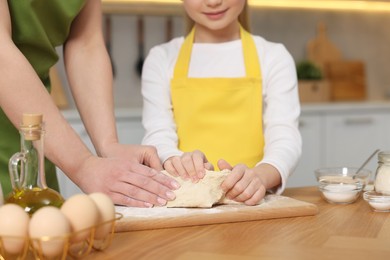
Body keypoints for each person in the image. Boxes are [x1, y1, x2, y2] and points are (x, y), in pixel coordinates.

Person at [0, 0, 179, 207]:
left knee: (43, 228)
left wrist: (108, 145)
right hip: (22, 108)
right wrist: (83, 165)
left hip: (36, 127)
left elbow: (84, 42)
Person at [141, 0, 302, 205]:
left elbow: (285, 136)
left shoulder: (273, 56)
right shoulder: (161, 58)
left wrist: (260, 176)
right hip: (186, 203)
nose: (213, 2)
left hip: (250, 204)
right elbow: (157, 134)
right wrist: (176, 160)